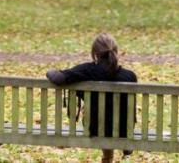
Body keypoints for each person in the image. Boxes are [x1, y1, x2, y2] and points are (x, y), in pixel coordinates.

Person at [46, 33, 137, 163]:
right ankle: (123, 148)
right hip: (124, 130)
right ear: (116, 51)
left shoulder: (87, 70)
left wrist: (50, 71)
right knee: (112, 113)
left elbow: (57, 78)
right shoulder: (130, 76)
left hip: (94, 128)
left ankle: (107, 157)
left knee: (100, 116)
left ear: (95, 52)